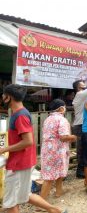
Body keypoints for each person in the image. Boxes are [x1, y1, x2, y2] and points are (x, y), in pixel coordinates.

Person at [0, 84, 65, 213]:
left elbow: (28, 141)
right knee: (24, 196)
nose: (2, 97)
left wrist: (4, 149)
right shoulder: (20, 113)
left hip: (18, 164)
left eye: (3, 94)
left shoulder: (20, 116)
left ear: (9, 97)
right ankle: (55, 210)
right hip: (23, 161)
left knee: (12, 202)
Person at [40, 99, 77, 200]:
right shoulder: (62, 119)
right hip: (57, 150)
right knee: (49, 177)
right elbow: (63, 137)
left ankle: (59, 192)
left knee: (58, 172)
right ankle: (40, 205)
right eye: (64, 106)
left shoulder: (48, 119)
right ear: (61, 108)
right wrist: (74, 137)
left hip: (48, 150)